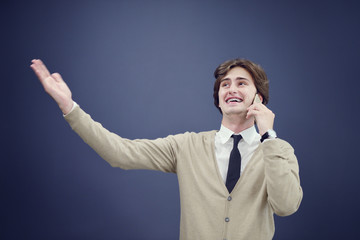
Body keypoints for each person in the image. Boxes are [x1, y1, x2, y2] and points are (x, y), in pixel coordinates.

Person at [30, 58, 303, 240]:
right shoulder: (186, 146)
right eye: (225, 84)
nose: (231, 88)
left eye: (242, 83)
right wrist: (70, 107)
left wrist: (268, 135)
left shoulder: (279, 150)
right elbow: (120, 153)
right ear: (218, 100)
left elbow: (286, 206)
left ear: (259, 97)